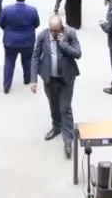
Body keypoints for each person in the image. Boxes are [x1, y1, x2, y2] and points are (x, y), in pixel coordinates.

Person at [31, 15, 82, 159]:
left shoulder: (70, 34)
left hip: (66, 78)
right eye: (52, 31)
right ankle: (56, 127)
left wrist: (64, 44)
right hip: (50, 78)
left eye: (56, 30)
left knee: (65, 108)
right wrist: (33, 80)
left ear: (61, 27)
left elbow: (78, 53)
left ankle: (68, 140)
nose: (54, 34)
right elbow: (35, 57)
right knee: (53, 105)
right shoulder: (42, 36)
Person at [0, 0, 40, 93]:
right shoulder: (32, 10)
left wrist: (8, 31)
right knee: (27, 61)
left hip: (10, 41)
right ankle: (27, 79)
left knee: (9, 61)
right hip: (27, 41)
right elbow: (36, 24)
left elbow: (1, 23)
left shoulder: (7, 10)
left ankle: (6, 85)